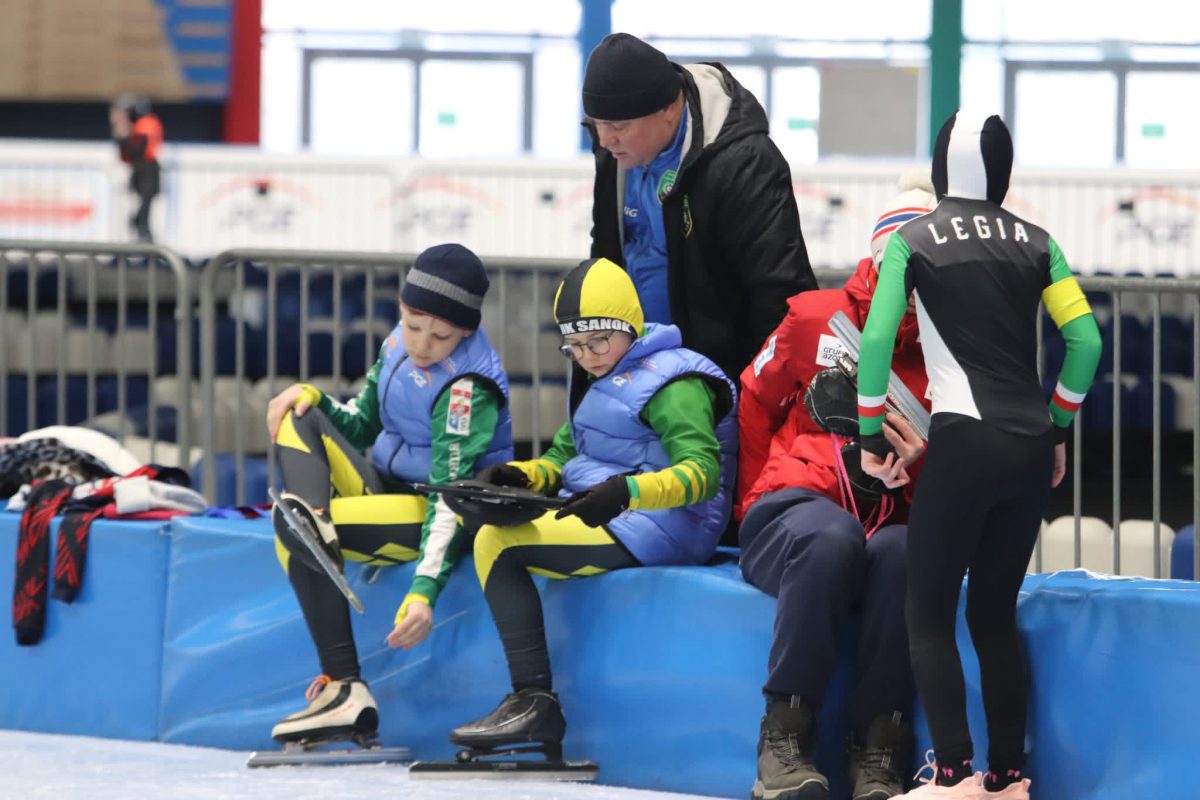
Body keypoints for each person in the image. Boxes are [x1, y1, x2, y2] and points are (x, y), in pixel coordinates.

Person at [857, 112, 1102, 799]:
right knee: (994, 615)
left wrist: (870, 434)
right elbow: (1086, 344)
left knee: (928, 614)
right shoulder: (1038, 241)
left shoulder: (913, 239)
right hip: (1028, 444)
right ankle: (1008, 777)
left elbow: (875, 340)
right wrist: (1057, 426)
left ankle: (953, 776)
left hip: (964, 437)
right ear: (1003, 169)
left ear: (940, 167)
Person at [448, 257, 738, 758]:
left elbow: (701, 475)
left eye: (598, 341)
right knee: (483, 519)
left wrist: (627, 492)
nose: (586, 356)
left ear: (629, 326)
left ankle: (533, 702)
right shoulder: (608, 376)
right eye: (575, 346)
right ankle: (529, 702)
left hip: (666, 524)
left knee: (499, 543)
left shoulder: (676, 382)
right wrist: (520, 476)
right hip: (615, 511)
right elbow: (565, 457)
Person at [262, 243, 513, 746]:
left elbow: (449, 497)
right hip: (385, 481)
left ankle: (344, 686)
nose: (421, 344)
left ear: (465, 331)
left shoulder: (467, 390)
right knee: (299, 412)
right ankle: (315, 521)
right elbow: (361, 424)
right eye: (414, 325)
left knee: (289, 532)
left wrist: (423, 591)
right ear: (402, 309)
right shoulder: (397, 341)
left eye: (440, 336)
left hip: (439, 508)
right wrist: (316, 397)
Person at [737, 173, 936, 800]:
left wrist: (922, 465)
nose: (912, 293)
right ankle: (784, 738)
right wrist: (751, 500)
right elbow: (754, 401)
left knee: (904, 555)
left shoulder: (948, 359)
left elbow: (957, 479)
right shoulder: (812, 318)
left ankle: (880, 749)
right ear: (880, 259)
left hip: (887, 524)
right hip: (795, 511)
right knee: (831, 538)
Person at [582, 32, 817, 385]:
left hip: (715, 381)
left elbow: (778, 292)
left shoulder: (743, 163)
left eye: (618, 126)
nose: (604, 139)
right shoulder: (615, 154)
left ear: (667, 109)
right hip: (629, 374)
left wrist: (757, 397)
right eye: (596, 124)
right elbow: (606, 253)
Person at [109, 94, 163, 243]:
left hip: (147, 172)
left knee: (142, 218)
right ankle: (143, 246)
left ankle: (149, 248)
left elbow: (138, 148)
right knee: (136, 218)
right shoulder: (140, 125)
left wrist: (123, 135)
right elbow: (127, 154)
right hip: (139, 171)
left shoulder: (146, 124)